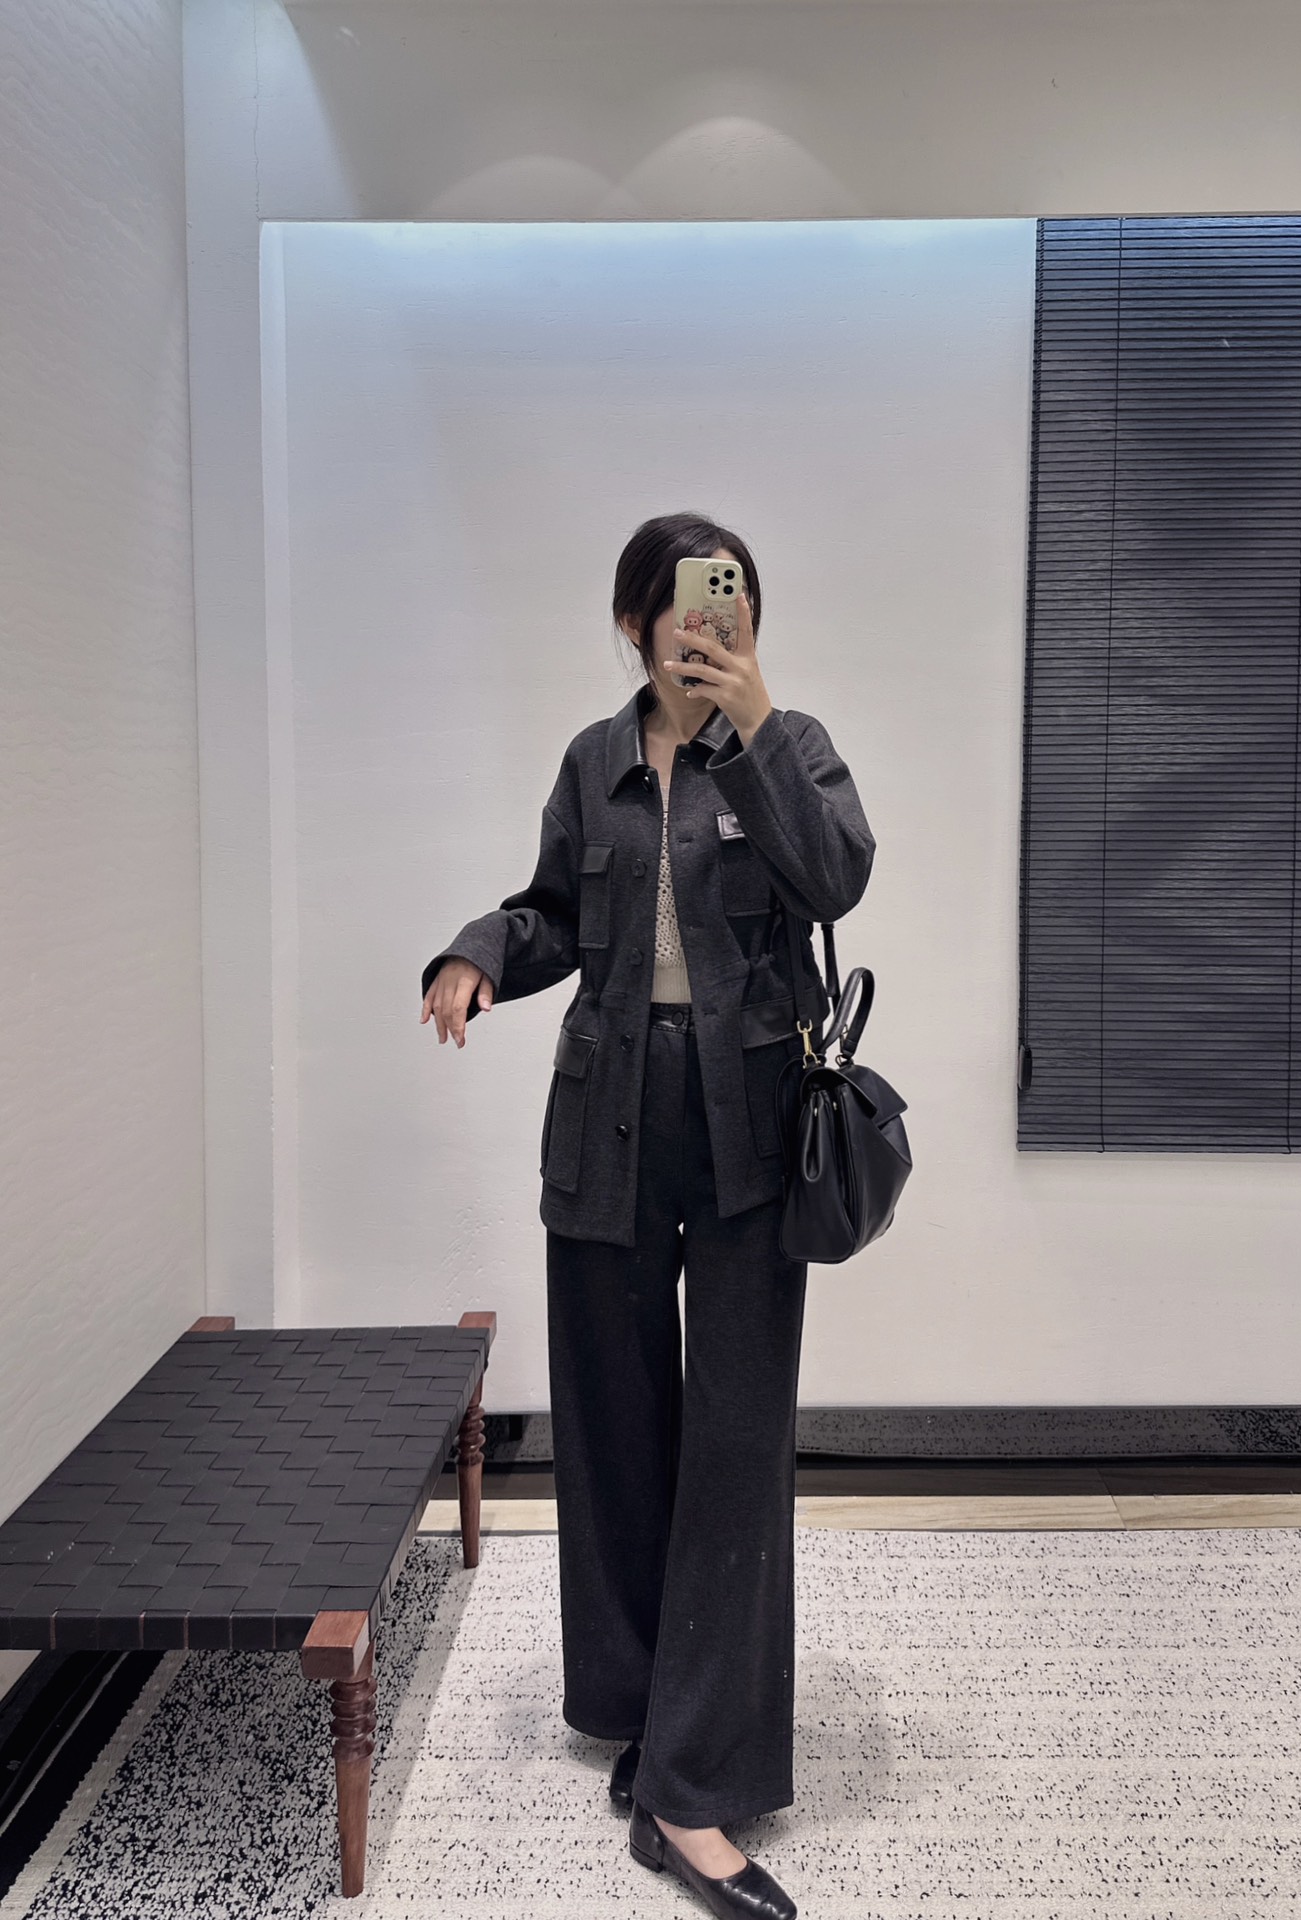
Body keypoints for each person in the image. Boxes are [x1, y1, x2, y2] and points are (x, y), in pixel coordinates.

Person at [420, 512, 875, 1919]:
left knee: (735, 1446)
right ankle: (639, 1708)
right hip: (606, 1129)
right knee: (615, 1432)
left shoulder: (789, 747)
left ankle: (691, 1790)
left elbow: (840, 878)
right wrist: (476, 955)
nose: (708, 629)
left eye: (731, 607)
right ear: (636, 624)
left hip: (748, 1139)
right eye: (685, 607)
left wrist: (760, 723)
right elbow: (556, 913)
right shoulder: (593, 761)